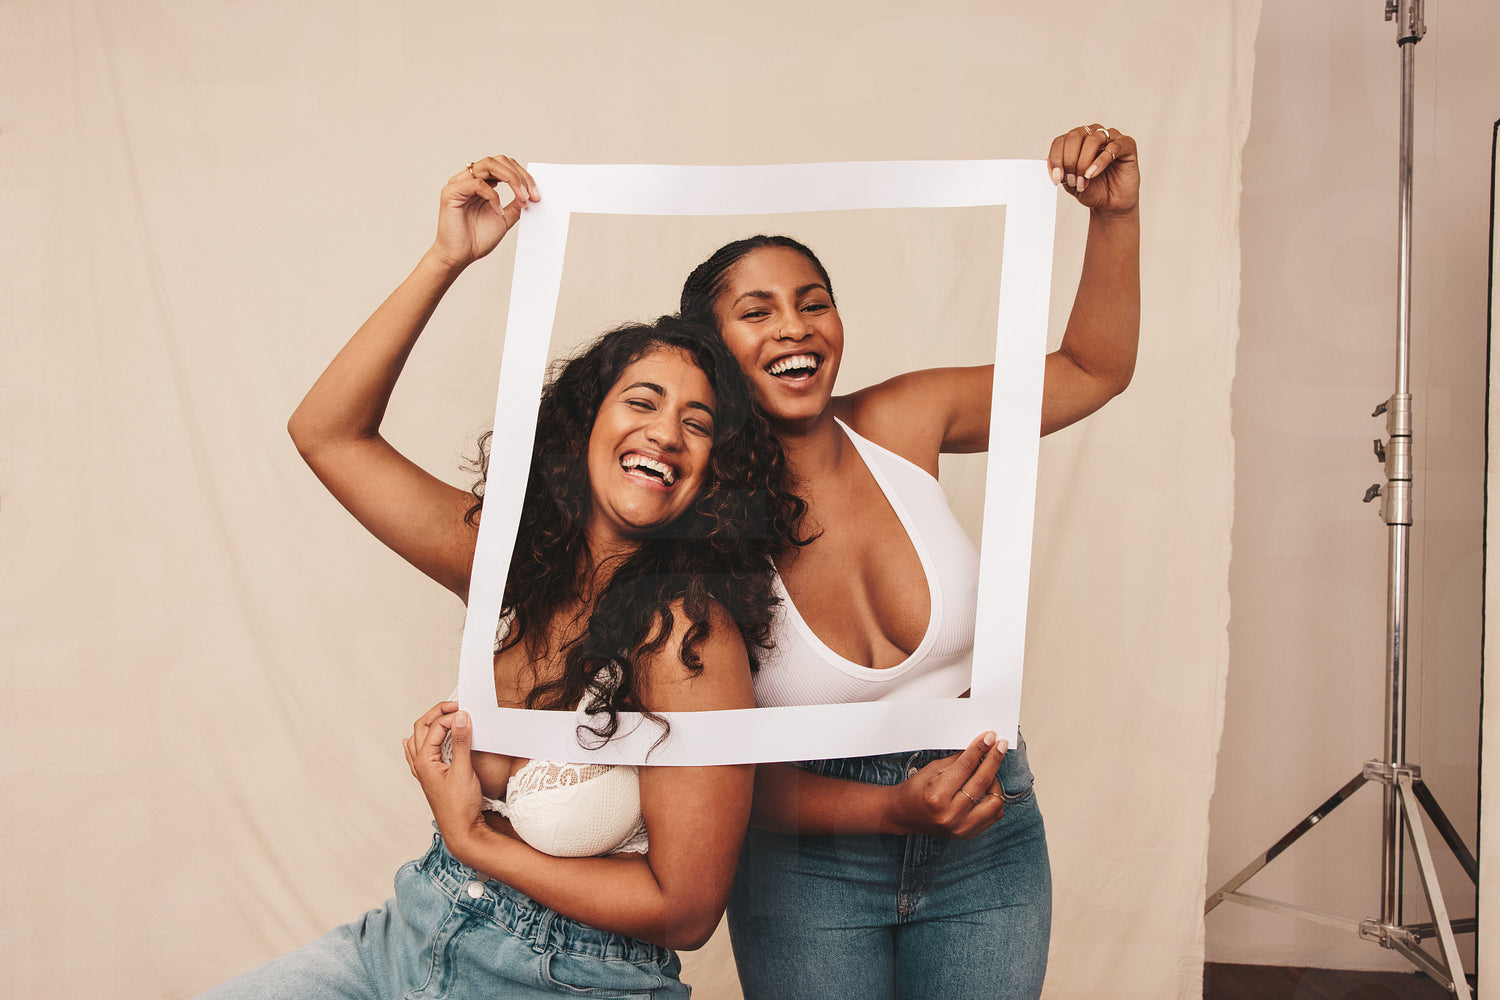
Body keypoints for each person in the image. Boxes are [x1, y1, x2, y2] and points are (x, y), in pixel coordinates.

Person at [197, 158, 805, 999]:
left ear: (714, 473)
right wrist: (447, 257)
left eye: (697, 424)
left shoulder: (687, 639)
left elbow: (686, 908)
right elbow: (326, 434)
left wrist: (477, 838)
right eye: (641, 402)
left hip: (567, 976)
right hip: (411, 933)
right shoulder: (511, 565)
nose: (666, 434)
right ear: (583, 425)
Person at [674, 125, 1141, 999]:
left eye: (813, 301)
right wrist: (888, 808)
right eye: (757, 311)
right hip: (806, 861)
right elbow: (711, 767)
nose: (794, 326)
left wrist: (1114, 217)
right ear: (710, 349)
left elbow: (1091, 369)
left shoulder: (902, 420)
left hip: (986, 826)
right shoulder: (690, 518)